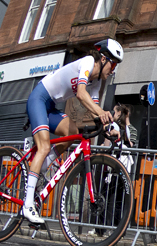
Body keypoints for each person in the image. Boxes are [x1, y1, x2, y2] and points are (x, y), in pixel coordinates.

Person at [22, 39, 122, 224]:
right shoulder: (87, 62)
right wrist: (101, 113)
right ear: (103, 59)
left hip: (50, 106)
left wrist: (108, 127)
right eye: (113, 63)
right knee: (44, 147)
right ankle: (27, 205)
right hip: (39, 98)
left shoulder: (96, 83)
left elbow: (95, 110)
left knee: (73, 133)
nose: (113, 69)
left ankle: (42, 166)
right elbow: (81, 94)